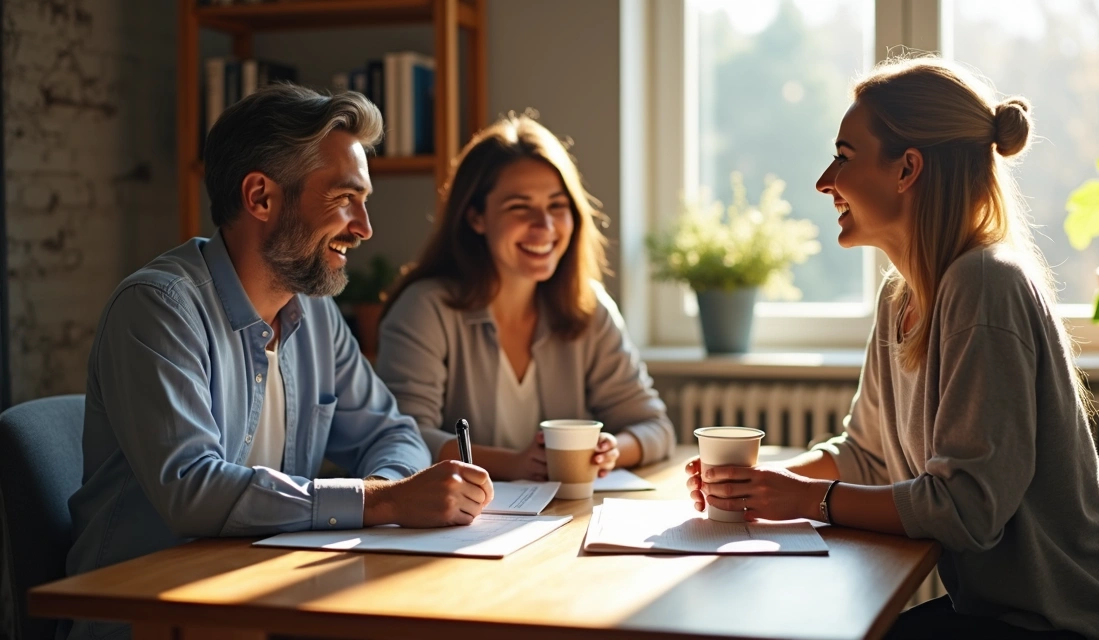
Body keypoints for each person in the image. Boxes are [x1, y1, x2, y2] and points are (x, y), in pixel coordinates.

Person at [684, 57, 1099, 639]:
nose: (824, 181)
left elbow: (967, 510)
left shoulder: (984, 285)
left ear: (907, 169)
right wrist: (761, 483)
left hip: (1083, 622)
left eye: (844, 156)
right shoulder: (902, 296)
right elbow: (866, 454)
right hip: (1007, 614)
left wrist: (803, 499)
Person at [66, 84, 493, 640]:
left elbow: (392, 432)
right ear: (261, 197)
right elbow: (193, 490)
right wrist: (382, 500)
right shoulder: (158, 309)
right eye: (344, 199)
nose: (363, 228)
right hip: (149, 618)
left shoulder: (312, 311)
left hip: (267, 599)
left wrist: (396, 494)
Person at [376, 113, 674, 481]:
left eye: (557, 205)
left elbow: (654, 427)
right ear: (476, 218)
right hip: (464, 526)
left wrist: (610, 450)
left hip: (563, 518)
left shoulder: (588, 306)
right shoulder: (426, 309)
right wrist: (515, 464)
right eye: (520, 207)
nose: (545, 226)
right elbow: (402, 438)